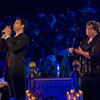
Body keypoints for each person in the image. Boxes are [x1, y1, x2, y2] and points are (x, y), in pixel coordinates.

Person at [69, 21, 100, 100]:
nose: (87, 30)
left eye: (90, 28)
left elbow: (93, 55)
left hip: (95, 74)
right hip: (84, 73)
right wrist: (74, 51)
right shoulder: (85, 40)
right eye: (86, 28)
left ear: (96, 30)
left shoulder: (98, 40)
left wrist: (81, 52)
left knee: (94, 96)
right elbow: (80, 53)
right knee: (85, 96)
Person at [0, 18, 29, 100]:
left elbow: (14, 48)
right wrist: (3, 37)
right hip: (9, 70)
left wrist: (8, 36)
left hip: (18, 71)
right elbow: (2, 48)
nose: (13, 24)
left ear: (22, 26)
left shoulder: (24, 38)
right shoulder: (12, 38)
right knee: (11, 96)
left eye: (16, 23)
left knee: (18, 95)